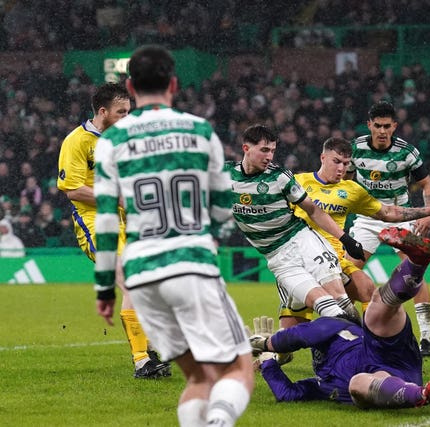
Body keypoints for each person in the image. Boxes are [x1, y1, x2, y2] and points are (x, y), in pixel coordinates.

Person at [93, 44, 254, 426]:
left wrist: (103, 288)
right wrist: (210, 232)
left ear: (130, 87)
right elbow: (221, 202)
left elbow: (104, 220)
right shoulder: (199, 130)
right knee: (239, 369)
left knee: (198, 377)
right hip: (190, 263)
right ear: (174, 84)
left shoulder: (110, 142)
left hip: (142, 275)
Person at [250, 227, 430, 408]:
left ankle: (416, 262)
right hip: (398, 380)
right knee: (358, 384)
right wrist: (267, 361)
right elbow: (288, 394)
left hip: (382, 351)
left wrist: (266, 344)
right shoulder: (322, 383)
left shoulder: (336, 323)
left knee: (377, 304)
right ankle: (423, 394)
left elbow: (307, 333)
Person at [57, 82, 170, 378]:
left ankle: (149, 349)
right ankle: (142, 359)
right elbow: (73, 190)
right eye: (121, 112)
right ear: (103, 111)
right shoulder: (77, 141)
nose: (126, 117)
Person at [291, 136, 430, 319]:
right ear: (323, 158)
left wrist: (428, 211)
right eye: (336, 162)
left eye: (346, 164)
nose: (341, 169)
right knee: (299, 324)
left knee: (367, 289)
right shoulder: (298, 182)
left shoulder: (352, 190)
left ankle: (370, 341)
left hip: (336, 261)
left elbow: (387, 213)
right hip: (302, 261)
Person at [227, 124, 365, 329]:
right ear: (246, 148)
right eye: (264, 150)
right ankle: (331, 347)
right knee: (323, 305)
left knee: (340, 299)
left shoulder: (280, 177)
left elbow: (313, 210)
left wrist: (346, 239)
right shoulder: (225, 175)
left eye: (272, 151)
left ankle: (364, 348)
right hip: (277, 258)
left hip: (302, 240)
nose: (269, 156)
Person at [346, 100, 430, 357]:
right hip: (367, 218)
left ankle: (426, 338)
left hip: (401, 217)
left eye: (387, 126)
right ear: (370, 125)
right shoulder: (355, 149)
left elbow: (427, 185)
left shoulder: (407, 152)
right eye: (378, 126)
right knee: (347, 272)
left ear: (395, 126)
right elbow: (344, 182)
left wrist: (428, 215)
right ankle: (348, 330)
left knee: (414, 272)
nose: (383, 131)